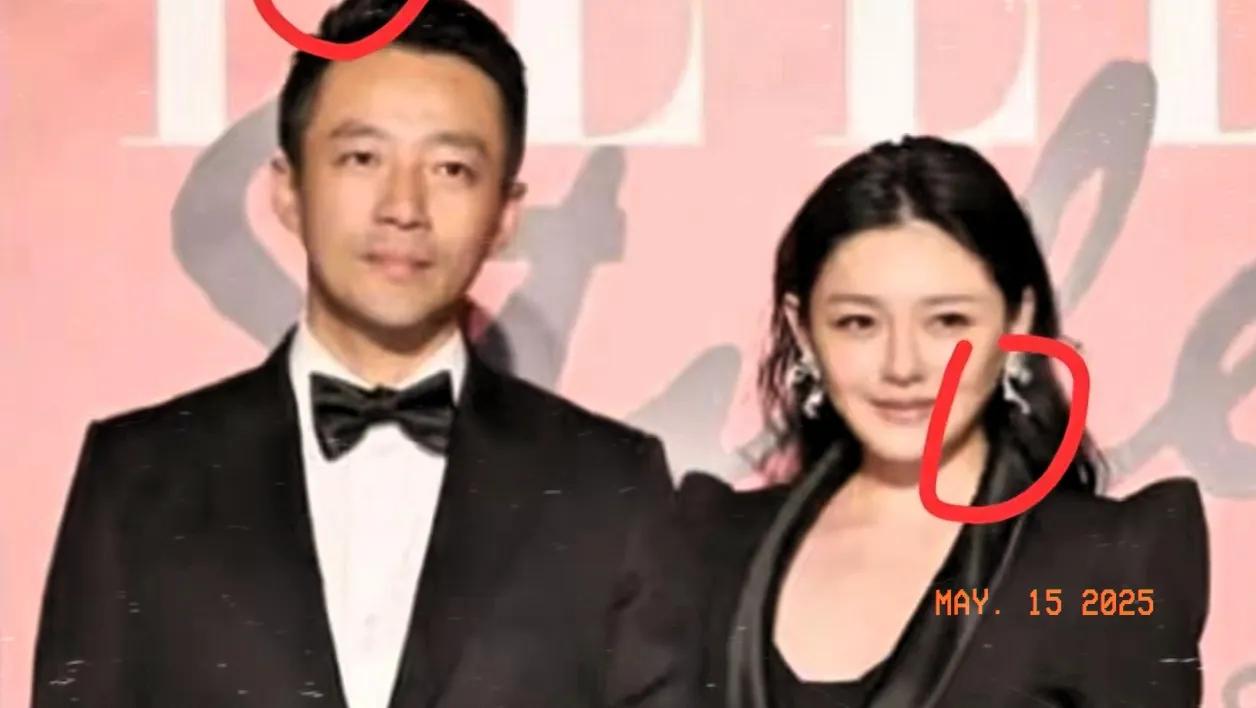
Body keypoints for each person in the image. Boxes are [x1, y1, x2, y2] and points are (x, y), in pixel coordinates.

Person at [33, 1, 695, 705]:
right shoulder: (138, 476)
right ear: (288, 190)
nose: (403, 206)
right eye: (362, 158)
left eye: (450, 168)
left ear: (505, 215)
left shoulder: (610, 486)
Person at [679, 136, 1209, 707]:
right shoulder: (709, 546)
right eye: (859, 322)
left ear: (1018, 322)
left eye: (948, 321)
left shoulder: (1103, 566)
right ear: (803, 329)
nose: (902, 366)